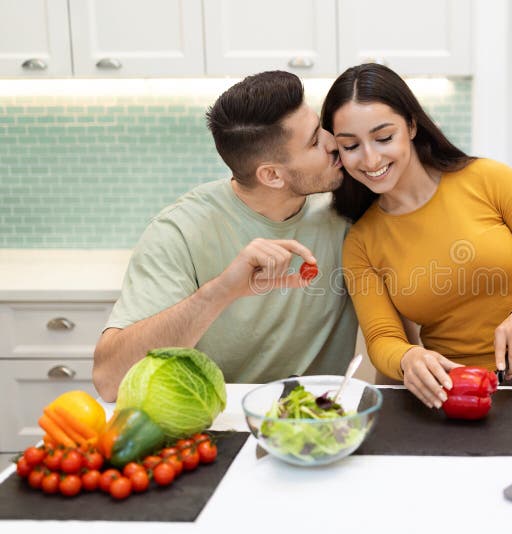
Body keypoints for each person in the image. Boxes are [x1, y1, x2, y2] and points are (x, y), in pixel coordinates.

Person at [321, 64, 512, 410]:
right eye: (351, 146)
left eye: (384, 138)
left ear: (412, 126)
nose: (371, 158)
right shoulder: (361, 241)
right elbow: (383, 337)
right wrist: (408, 358)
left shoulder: (488, 180)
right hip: (451, 390)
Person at [93, 71, 358, 402]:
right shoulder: (179, 232)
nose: (335, 143)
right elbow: (109, 381)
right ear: (272, 175)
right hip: (218, 420)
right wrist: (222, 291)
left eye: (320, 128)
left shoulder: (347, 203)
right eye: (315, 142)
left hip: (322, 418)